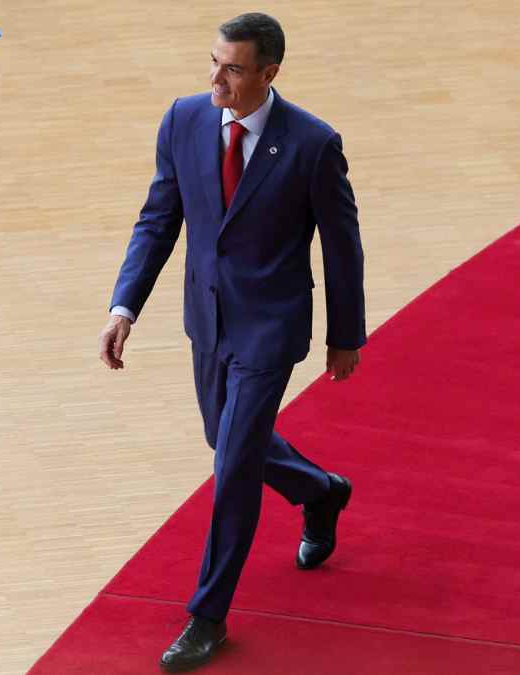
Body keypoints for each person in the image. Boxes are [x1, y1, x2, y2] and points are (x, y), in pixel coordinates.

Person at [96, 12, 366, 672]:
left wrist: (344, 334)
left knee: (233, 463)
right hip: (207, 319)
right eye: (213, 62)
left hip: (271, 327)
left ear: (268, 73)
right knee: (225, 437)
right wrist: (125, 304)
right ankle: (320, 489)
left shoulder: (312, 143)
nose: (215, 77)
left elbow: (342, 244)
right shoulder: (184, 119)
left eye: (233, 68)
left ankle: (207, 615)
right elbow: (159, 218)